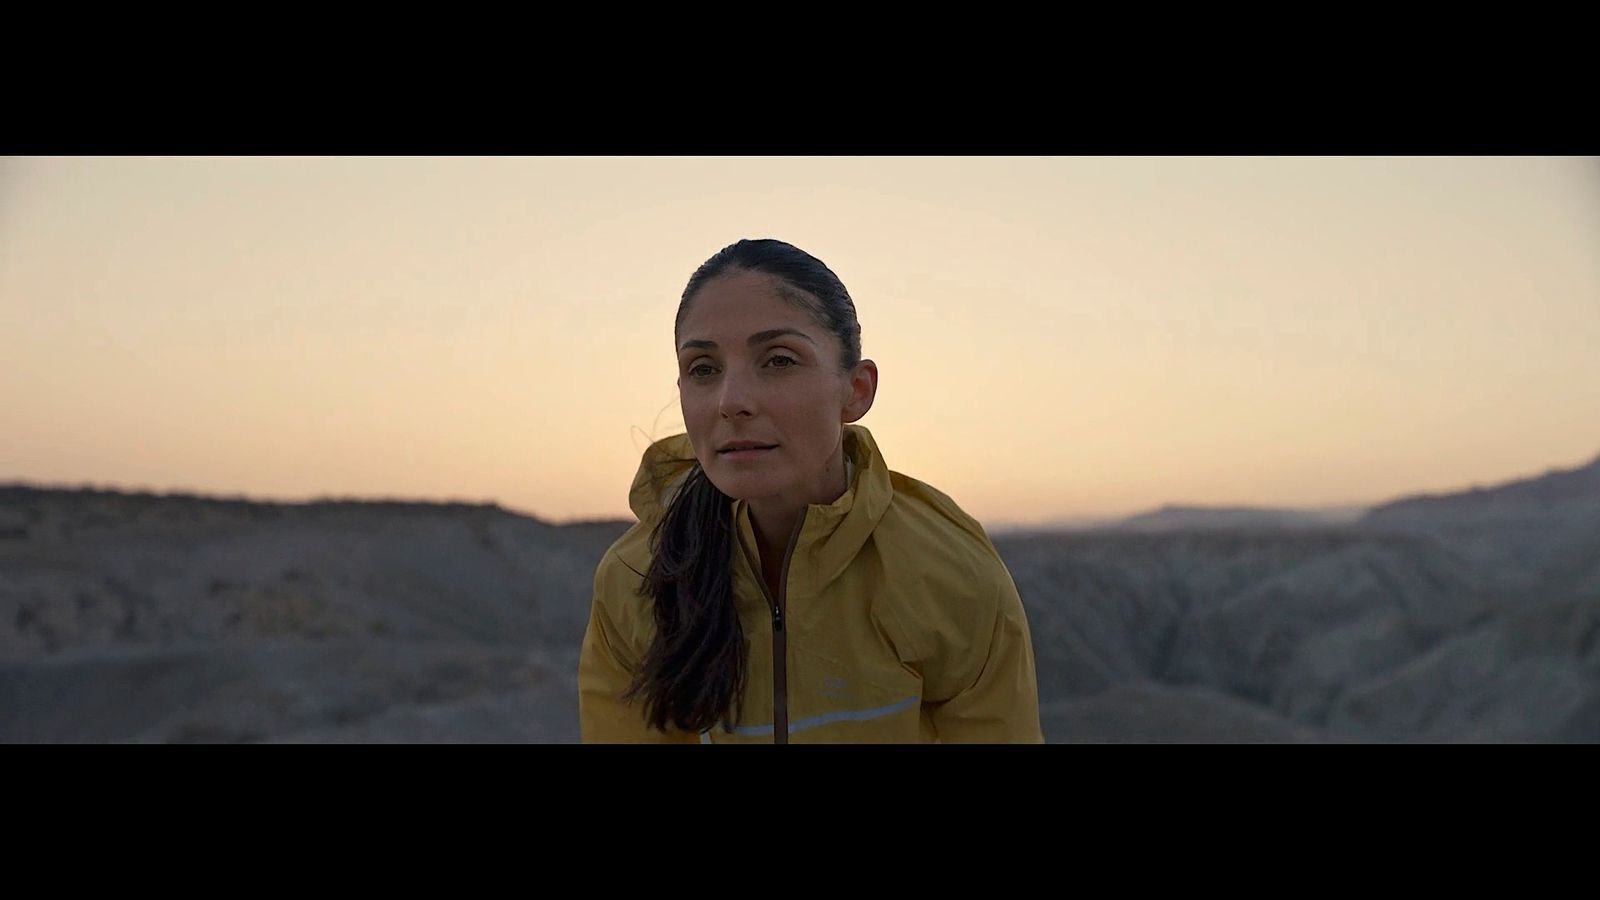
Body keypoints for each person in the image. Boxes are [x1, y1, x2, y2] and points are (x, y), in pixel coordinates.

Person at [577, 238, 1043, 743]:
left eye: (778, 360)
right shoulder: (636, 579)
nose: (731, 402)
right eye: (704, 370)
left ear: (856, 390)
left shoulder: (949, 572)